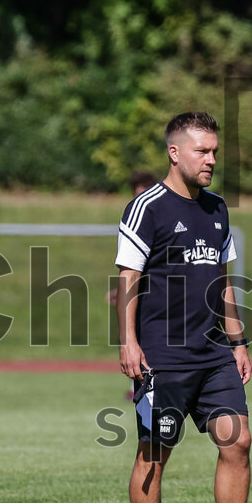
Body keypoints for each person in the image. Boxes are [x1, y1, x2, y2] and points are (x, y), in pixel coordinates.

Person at [114, 111, 252, 503]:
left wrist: (238, 340)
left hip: (213, 354)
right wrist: (129, 342)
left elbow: (223, 282)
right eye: (202, 151)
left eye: (214, 152)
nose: (211, 160)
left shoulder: (217, 208)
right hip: (162, 355)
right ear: (175, 152)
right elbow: (129, 278)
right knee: (154, 452)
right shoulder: (148, 206)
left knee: (238, 440)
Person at [110, 171, 160, 401]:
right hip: (142, 300)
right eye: (136, 194)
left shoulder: (161, 217)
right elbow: (131, 271)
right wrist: (120, 293)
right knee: (134, 339)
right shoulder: (136, 218)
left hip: (163, 304)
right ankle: (138, 386)